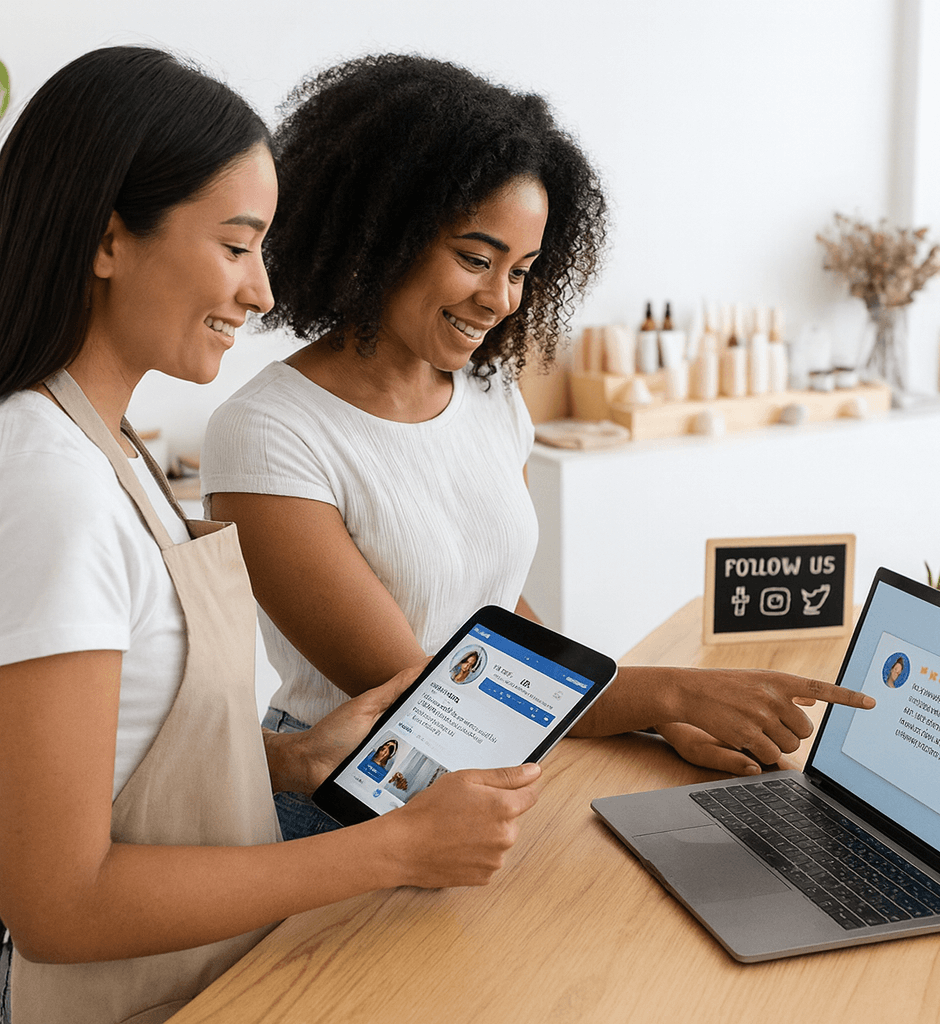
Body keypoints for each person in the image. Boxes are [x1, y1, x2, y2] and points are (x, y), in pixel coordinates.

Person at [202, 54, 874, 841]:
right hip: (345, 812)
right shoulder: (267, 433)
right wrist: (665, 694)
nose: (501, 298)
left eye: (522, 270)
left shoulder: (488, 395)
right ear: (385, 233)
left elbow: (498, 619)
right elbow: (421, 691)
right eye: (476, 258)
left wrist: (646, 720)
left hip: (488, 777)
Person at [0, 47, 541, 1024]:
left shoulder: (109, 449)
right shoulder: (51, 484)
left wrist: (286, 762)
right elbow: (57, 904)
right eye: (238, 244)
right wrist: (395, 847)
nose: (260, 292)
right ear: (108, 238)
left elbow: (116, 755)